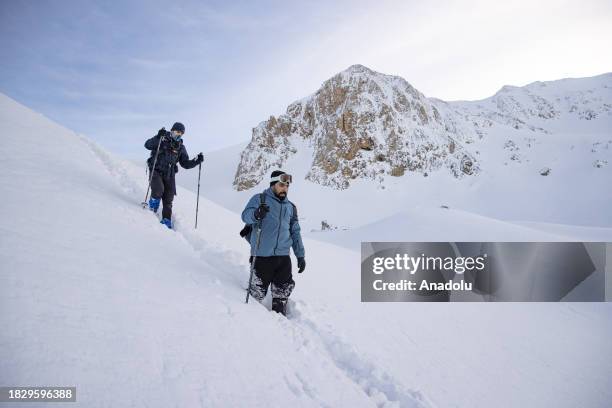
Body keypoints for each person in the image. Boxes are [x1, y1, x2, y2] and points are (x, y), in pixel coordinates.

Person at [241, 170, 306, 315]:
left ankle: (280, 322)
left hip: (283, 258)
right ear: (273, 185)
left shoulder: (291, 207)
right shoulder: (260, 199)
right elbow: (245, 216)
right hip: (261, 256)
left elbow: (295, 232)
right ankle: (250, 320)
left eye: (287, 186)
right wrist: (256, 214)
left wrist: (300, 256)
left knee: (282, 294)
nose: (285, 189)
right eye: (281, 185)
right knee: (256, 294)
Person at [144, 122, 203, 229]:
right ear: (172, 130)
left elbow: (185, 163)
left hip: (169, 173)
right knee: (158, 189)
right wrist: (158, 137)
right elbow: (147, 145)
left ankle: (166, 219)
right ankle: (153, 206)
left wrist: (196, 161)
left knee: (169, 197)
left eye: (181, 133)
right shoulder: (162, 137)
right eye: (177, 132)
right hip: (156, 169)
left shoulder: (181, 147)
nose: (178, 135)